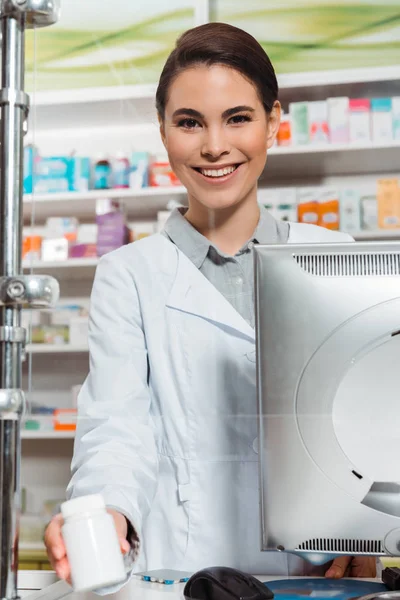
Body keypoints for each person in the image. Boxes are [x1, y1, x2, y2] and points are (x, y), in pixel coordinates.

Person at [45, 22, 377, 582]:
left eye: (238, 118)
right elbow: (115, 426)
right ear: (164, 131)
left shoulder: (335, 258)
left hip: (318, 578)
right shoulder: (128, 275)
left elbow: (367, 418)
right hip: (182, 571)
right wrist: (104, 511)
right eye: (189, 122)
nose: (214, 145)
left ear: (274, 122)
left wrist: (366, 527)